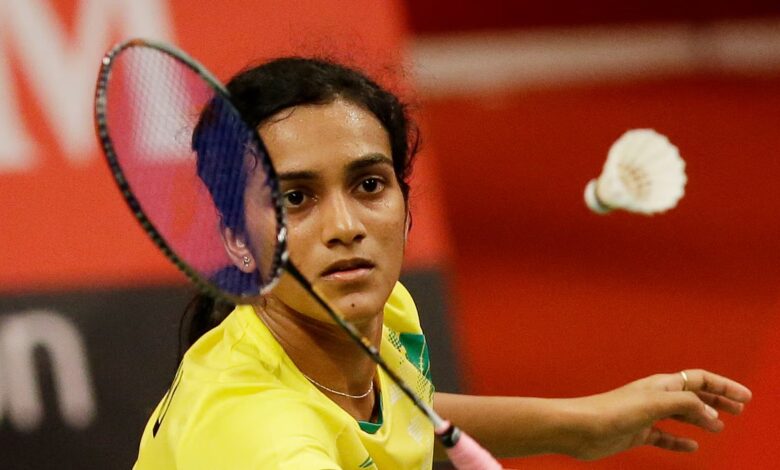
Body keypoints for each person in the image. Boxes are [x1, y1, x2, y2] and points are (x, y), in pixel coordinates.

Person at [133, 57, 752, 469]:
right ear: (236, 241)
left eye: (369, 185)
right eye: (296, 198)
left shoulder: (377, 311)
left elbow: (393, 415)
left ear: (405, 205)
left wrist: (578, 424)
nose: (345, 227)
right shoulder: (260, 438)